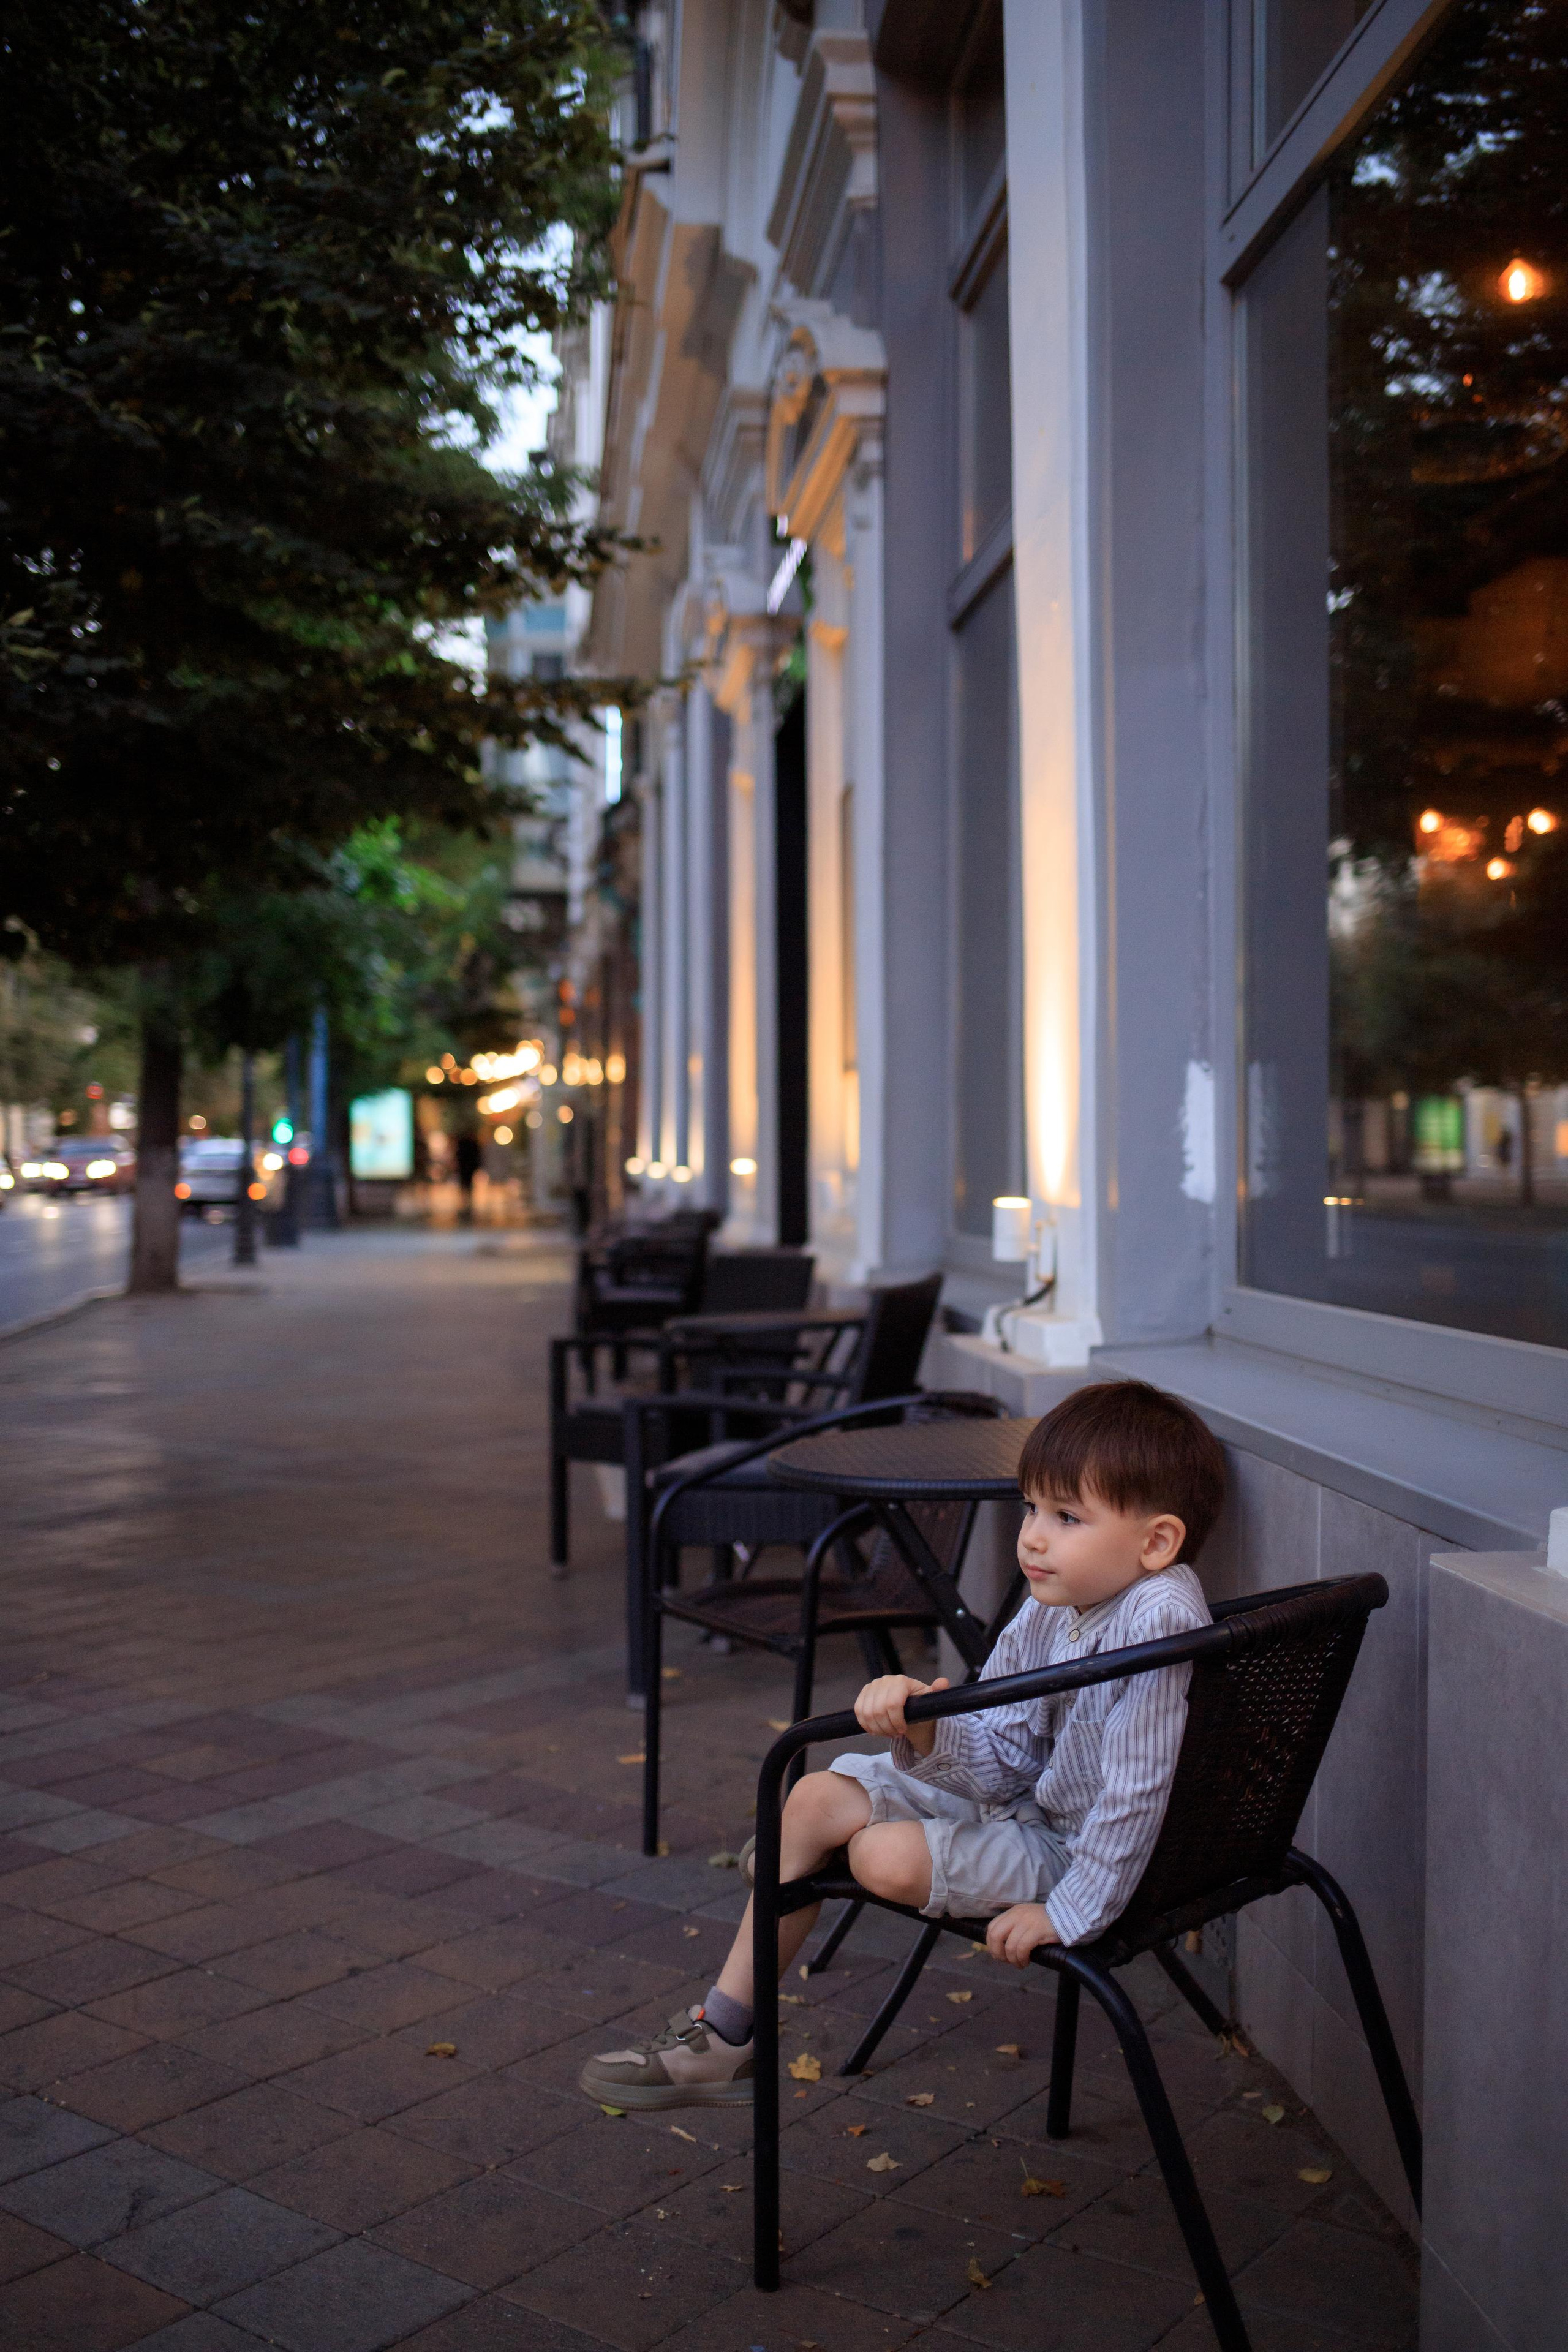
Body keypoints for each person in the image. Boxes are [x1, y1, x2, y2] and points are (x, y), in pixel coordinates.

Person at [579, 1378, 1226, 2111]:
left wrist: (1071, 1911)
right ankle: (728, 2035)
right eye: (1032, 1508)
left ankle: (788, 1873)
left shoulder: (1159, 1614)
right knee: (815, 1794)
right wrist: (926, 1724)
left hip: (1083, 1856)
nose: (1033, 1536)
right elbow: (1004, 1761)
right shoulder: (1054, 1607)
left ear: (1156, 1542)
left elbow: (1140, 1789)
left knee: (872, 1855)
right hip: (1021, 1807)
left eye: (1068, 1516)